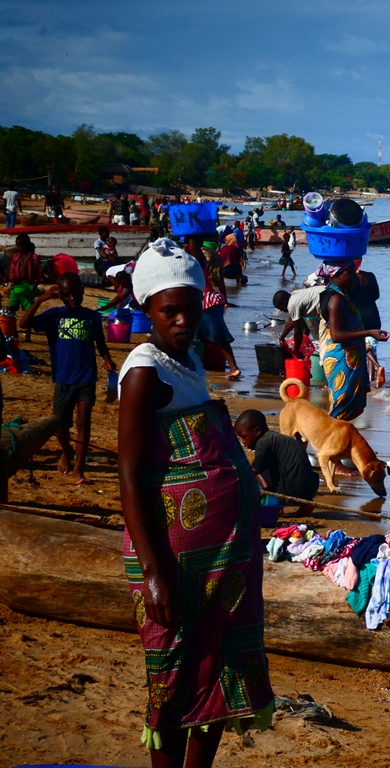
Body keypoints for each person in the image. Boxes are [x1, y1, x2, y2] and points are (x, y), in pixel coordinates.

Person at [117, 238, 273, 768]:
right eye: (170, 311)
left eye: (191, 308)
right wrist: (155, 572)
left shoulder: (183, 359)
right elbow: (130, 473)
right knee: (177, 675)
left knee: (219, 669)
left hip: (222, 559)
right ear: (146, 309)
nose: (184, 321)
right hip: (174, 561)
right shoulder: (144, 373)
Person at [20, 273, 115, 484]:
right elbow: (24, 325)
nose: (72, 298)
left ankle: (79, 469)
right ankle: (66, 451)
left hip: (86, 378)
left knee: (84, 423)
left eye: (76, 293)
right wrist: (39, 300)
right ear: (60, 296)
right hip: (63, 379)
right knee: (60, 426)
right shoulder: (54, 316)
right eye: (66, 295)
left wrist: (107, 360)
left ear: (82, 291)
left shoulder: (92, 317)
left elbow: (100, 343)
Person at [317, 260, 389, 420]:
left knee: (353, 408)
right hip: (342, 360)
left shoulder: (340, 294)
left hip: (349, 358)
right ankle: (327, 440)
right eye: (350, 273)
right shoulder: (336, 299)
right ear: (336, 275)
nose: (355, 277)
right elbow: (336, 335)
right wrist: (369, 332)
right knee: (341, 409)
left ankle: (336, 440)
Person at [234, 409, 318, 514]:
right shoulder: (278, 439)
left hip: (294, 489)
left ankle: (274, 504)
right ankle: (306, 503)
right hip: (310, 489)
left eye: (244, 437)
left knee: (254, 472)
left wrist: (233, 478)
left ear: (257, 431)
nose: (243, 442)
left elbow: (254, 471)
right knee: (265, 467)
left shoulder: (263, 442)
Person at [182, 234, 242, 379]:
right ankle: (193, 365)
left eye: (186, 245)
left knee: (218, 337)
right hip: (207, 302)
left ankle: (234, 368)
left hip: (207, 303)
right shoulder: (197, 264)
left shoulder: (197, 263)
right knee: (197, 336)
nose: (183, 248)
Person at [348, 259, 385, 388]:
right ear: (361, 261)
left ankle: (368, 382)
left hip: (357, 316)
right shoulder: (370, 276)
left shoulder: (349, 279)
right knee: (372, 348)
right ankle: (373, 380)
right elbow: (376, 295)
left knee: (363, 348)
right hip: (373, 315)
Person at [7, 234, 42, 340]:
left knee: (28, 310)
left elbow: (38, 271)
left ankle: (28, 332)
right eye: (17, 246)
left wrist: (35, 283)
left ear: (26, 245)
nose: (19, 248)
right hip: (16, 285)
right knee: (11, 308)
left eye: (21, 245)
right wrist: (11, 280)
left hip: (28, 285)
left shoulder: (34, 257)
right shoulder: (16, 256)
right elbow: (12, 269)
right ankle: (13, 331)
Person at [273, 287, 323, 357]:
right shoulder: (294, 296)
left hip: (327, 300)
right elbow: (291, 320)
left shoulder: (292, 304)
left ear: (284, 303)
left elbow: (298, 332)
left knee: (324, 339)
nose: (281, 311)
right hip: (328, 293)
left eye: (280, 308)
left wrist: (296, 351)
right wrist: (282, 337)